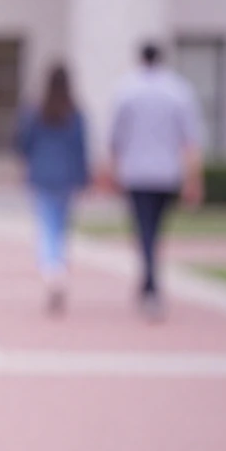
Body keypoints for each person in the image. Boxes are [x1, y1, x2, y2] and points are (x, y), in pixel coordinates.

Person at [108, 42, 205, 322]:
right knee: (155, 230)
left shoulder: (127, 89)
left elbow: (115, 136)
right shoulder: (178, 90)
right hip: (166, 173)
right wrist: (194, 179)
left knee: (144, 230)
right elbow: (191, 140)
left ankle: (149, 283)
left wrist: (113, 170)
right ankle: (149, 281)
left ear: (140, 58)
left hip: (136, 172)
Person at [14, 64, 90, 315]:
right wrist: (84, 177)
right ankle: (59, 268)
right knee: (60, 227)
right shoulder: (75, 113)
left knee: (46, 225)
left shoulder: (35, 110)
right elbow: (81, 147)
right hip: (67, 176)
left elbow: (23, 142)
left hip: (42, 174)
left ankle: (52, 272)